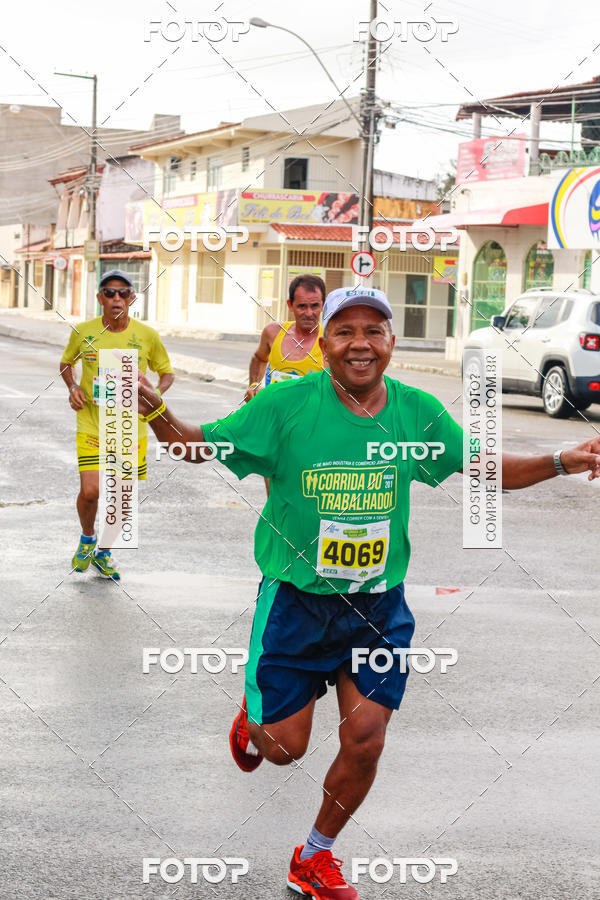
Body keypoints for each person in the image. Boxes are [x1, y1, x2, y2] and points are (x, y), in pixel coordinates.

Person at [136, 286, 600, 900]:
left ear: (391, 343)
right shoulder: (285, 405)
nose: (360, 343)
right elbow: (198, 447)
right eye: (345, 330)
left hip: (377, 607)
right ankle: (256, 723)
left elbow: (482, 464)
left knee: (367, 739)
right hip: (297, 604)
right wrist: (152, 412)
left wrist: (562, 460)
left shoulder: (415, 412)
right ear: (323, 342)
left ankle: (315, 854)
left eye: (374, 330)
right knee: (283, 750)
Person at [60, 269, 174, 581]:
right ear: (99, 298)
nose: (116, 298)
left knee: (121, 497)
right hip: (92, 425)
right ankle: (87, 538)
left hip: (129, 427)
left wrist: (154, 395)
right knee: (93, 490)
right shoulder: (83, 331)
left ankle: (104, 552)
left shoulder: (147, 336)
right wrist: (73, 387)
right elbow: (66, 363)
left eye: (123, 293)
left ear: (132, 298)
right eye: (109, 293)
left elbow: (166, 372)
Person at [244, 273, 326, 404]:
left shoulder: (330, 341)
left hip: (310, 422)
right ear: (290, 305)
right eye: (302, 306)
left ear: (323, 305)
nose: (309, 313)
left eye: (314, 306)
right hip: (274, 419)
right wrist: (254, 384)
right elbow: (259, 359)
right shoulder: (273, 332)